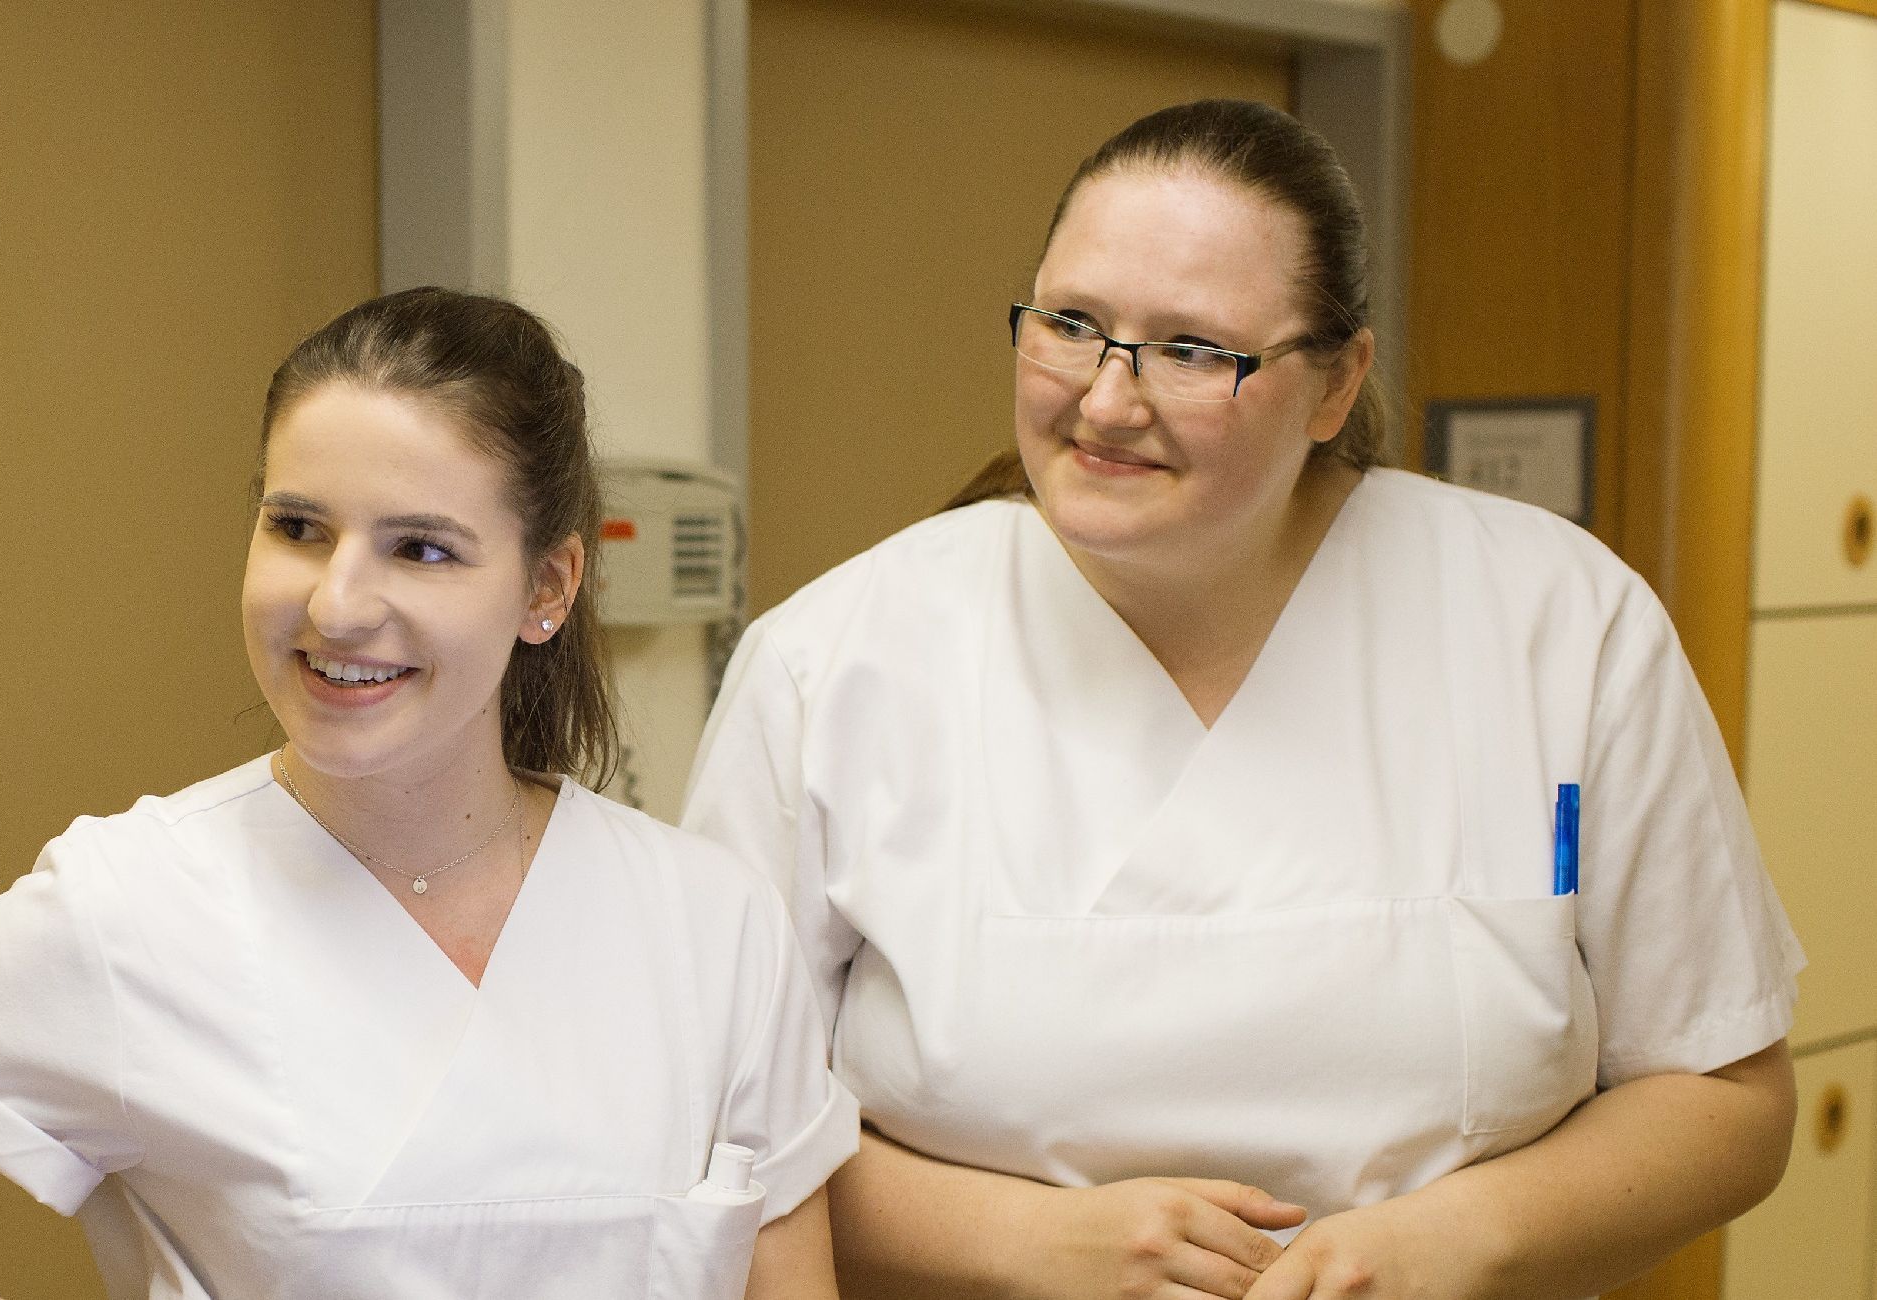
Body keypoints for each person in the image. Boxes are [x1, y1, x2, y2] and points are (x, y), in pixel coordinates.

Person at [682, 99, 1802, 1300]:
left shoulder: (1559, 622)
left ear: (1337, 385)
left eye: (1192, 349)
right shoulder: (835, 662)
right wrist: (1025, 1243)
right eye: (1071, 325)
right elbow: (707, 1125)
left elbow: (1724, 1093)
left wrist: (1457, 1240)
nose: (1108, 399)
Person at [0, 287, 858, 1299]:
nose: (335, 605)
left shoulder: (716, 931)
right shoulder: (130, 908)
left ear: (546, 586)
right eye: (298, 528)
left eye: (422, 549)